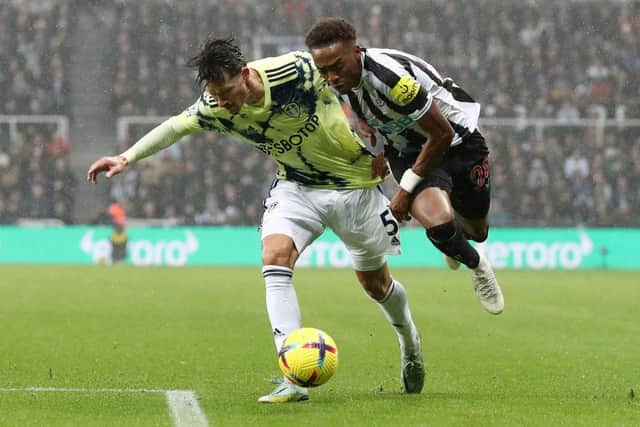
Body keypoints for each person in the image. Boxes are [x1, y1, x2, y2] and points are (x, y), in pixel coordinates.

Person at [87, 37, 425, 402]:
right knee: (274, 258)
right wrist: (127, 157)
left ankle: (410, 344)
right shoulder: (214, 106)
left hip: (355, 187)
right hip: (297, 187)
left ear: (245, 75)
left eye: (227, 92)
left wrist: (384, 144)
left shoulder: (297, 71)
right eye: (214, 95)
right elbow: (175, 126)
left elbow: (358, 73)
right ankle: (293, 377)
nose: (222, 103)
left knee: (375, 285)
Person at [305, 18, 504, 315]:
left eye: (337, 67)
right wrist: (371, 135)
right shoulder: (337, 80)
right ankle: (478, 266)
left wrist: (403, 191)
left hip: (458, 143)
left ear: (356, 52)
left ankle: (460, 243)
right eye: (324, 71)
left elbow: (441, 134)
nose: (331, 76)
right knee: (438, 223)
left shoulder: (391, 79)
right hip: (407, 151)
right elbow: (359, 106)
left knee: (478, 231)